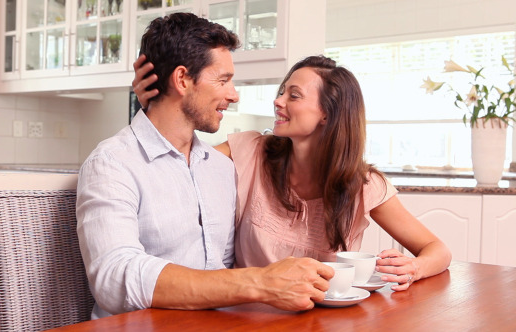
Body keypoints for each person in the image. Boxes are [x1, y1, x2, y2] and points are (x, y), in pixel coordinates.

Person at [76, 13, 334, 320]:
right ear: (182, 79)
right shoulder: (112, 163)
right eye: (223, 80)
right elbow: (114, 277)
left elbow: (219, 268)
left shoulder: (219, 168)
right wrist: (260, 282)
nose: (234, 95)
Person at [132, 54, 452, 292]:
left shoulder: (363, 184)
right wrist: (158, 107)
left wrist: (414, 267)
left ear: (328, 114)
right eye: (282, 91)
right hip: (245, 316)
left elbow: (437, 250)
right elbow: (176, 163)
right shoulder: (251, 152)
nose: (278, 101)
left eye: (293, 95)